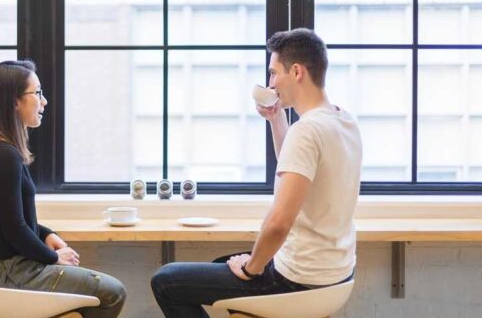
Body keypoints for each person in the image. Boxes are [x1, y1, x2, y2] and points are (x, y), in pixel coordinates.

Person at [150, 28, 362, 318]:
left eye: (274, 73)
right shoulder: (342, 120)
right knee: (220, 263)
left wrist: (253, 267)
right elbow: (298, 167)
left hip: (297, 280)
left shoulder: (308, 130)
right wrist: (276, 119)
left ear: (297, 71)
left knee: (167, 281)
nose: (271, 84)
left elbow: (279, 223)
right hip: (335, 274)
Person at [0, 60, 126, 318]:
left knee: (87, 296)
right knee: (112, 292)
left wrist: (46, 234)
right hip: (7, 274)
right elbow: (14, 227)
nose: (44, 101)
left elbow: (7, 218)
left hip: (0, 271)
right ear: (15, 102)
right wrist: (53, 258)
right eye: (37, 93)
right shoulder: (5, 156)